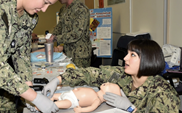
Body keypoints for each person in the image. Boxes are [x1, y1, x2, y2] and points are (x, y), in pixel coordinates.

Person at [43, 39, 181, 112]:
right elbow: (92, 73)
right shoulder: (124, 75)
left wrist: (132, 109)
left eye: (132, 55)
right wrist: (58, 79)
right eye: (127, 53)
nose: (125, 58)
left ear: (147, 59)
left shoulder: (163, 93)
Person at [47, 0, 92, 68]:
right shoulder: (64, 9)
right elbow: (60, 26)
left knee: (79, 79)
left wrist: (56, 38)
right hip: (68, 52)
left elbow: (76, 34)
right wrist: (52, 36)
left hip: (80, 56)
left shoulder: (81, 9)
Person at [51, 82, 122, 113]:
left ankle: (47, 106)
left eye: (109, 85)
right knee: (53, 95)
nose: (107, 82)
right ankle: (47, 100)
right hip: (69, 93)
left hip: (72, 100)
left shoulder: (97, 100)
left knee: (57, 104)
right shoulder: (96, 92)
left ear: (109, 94)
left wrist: (81, 110)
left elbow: (91, 108)